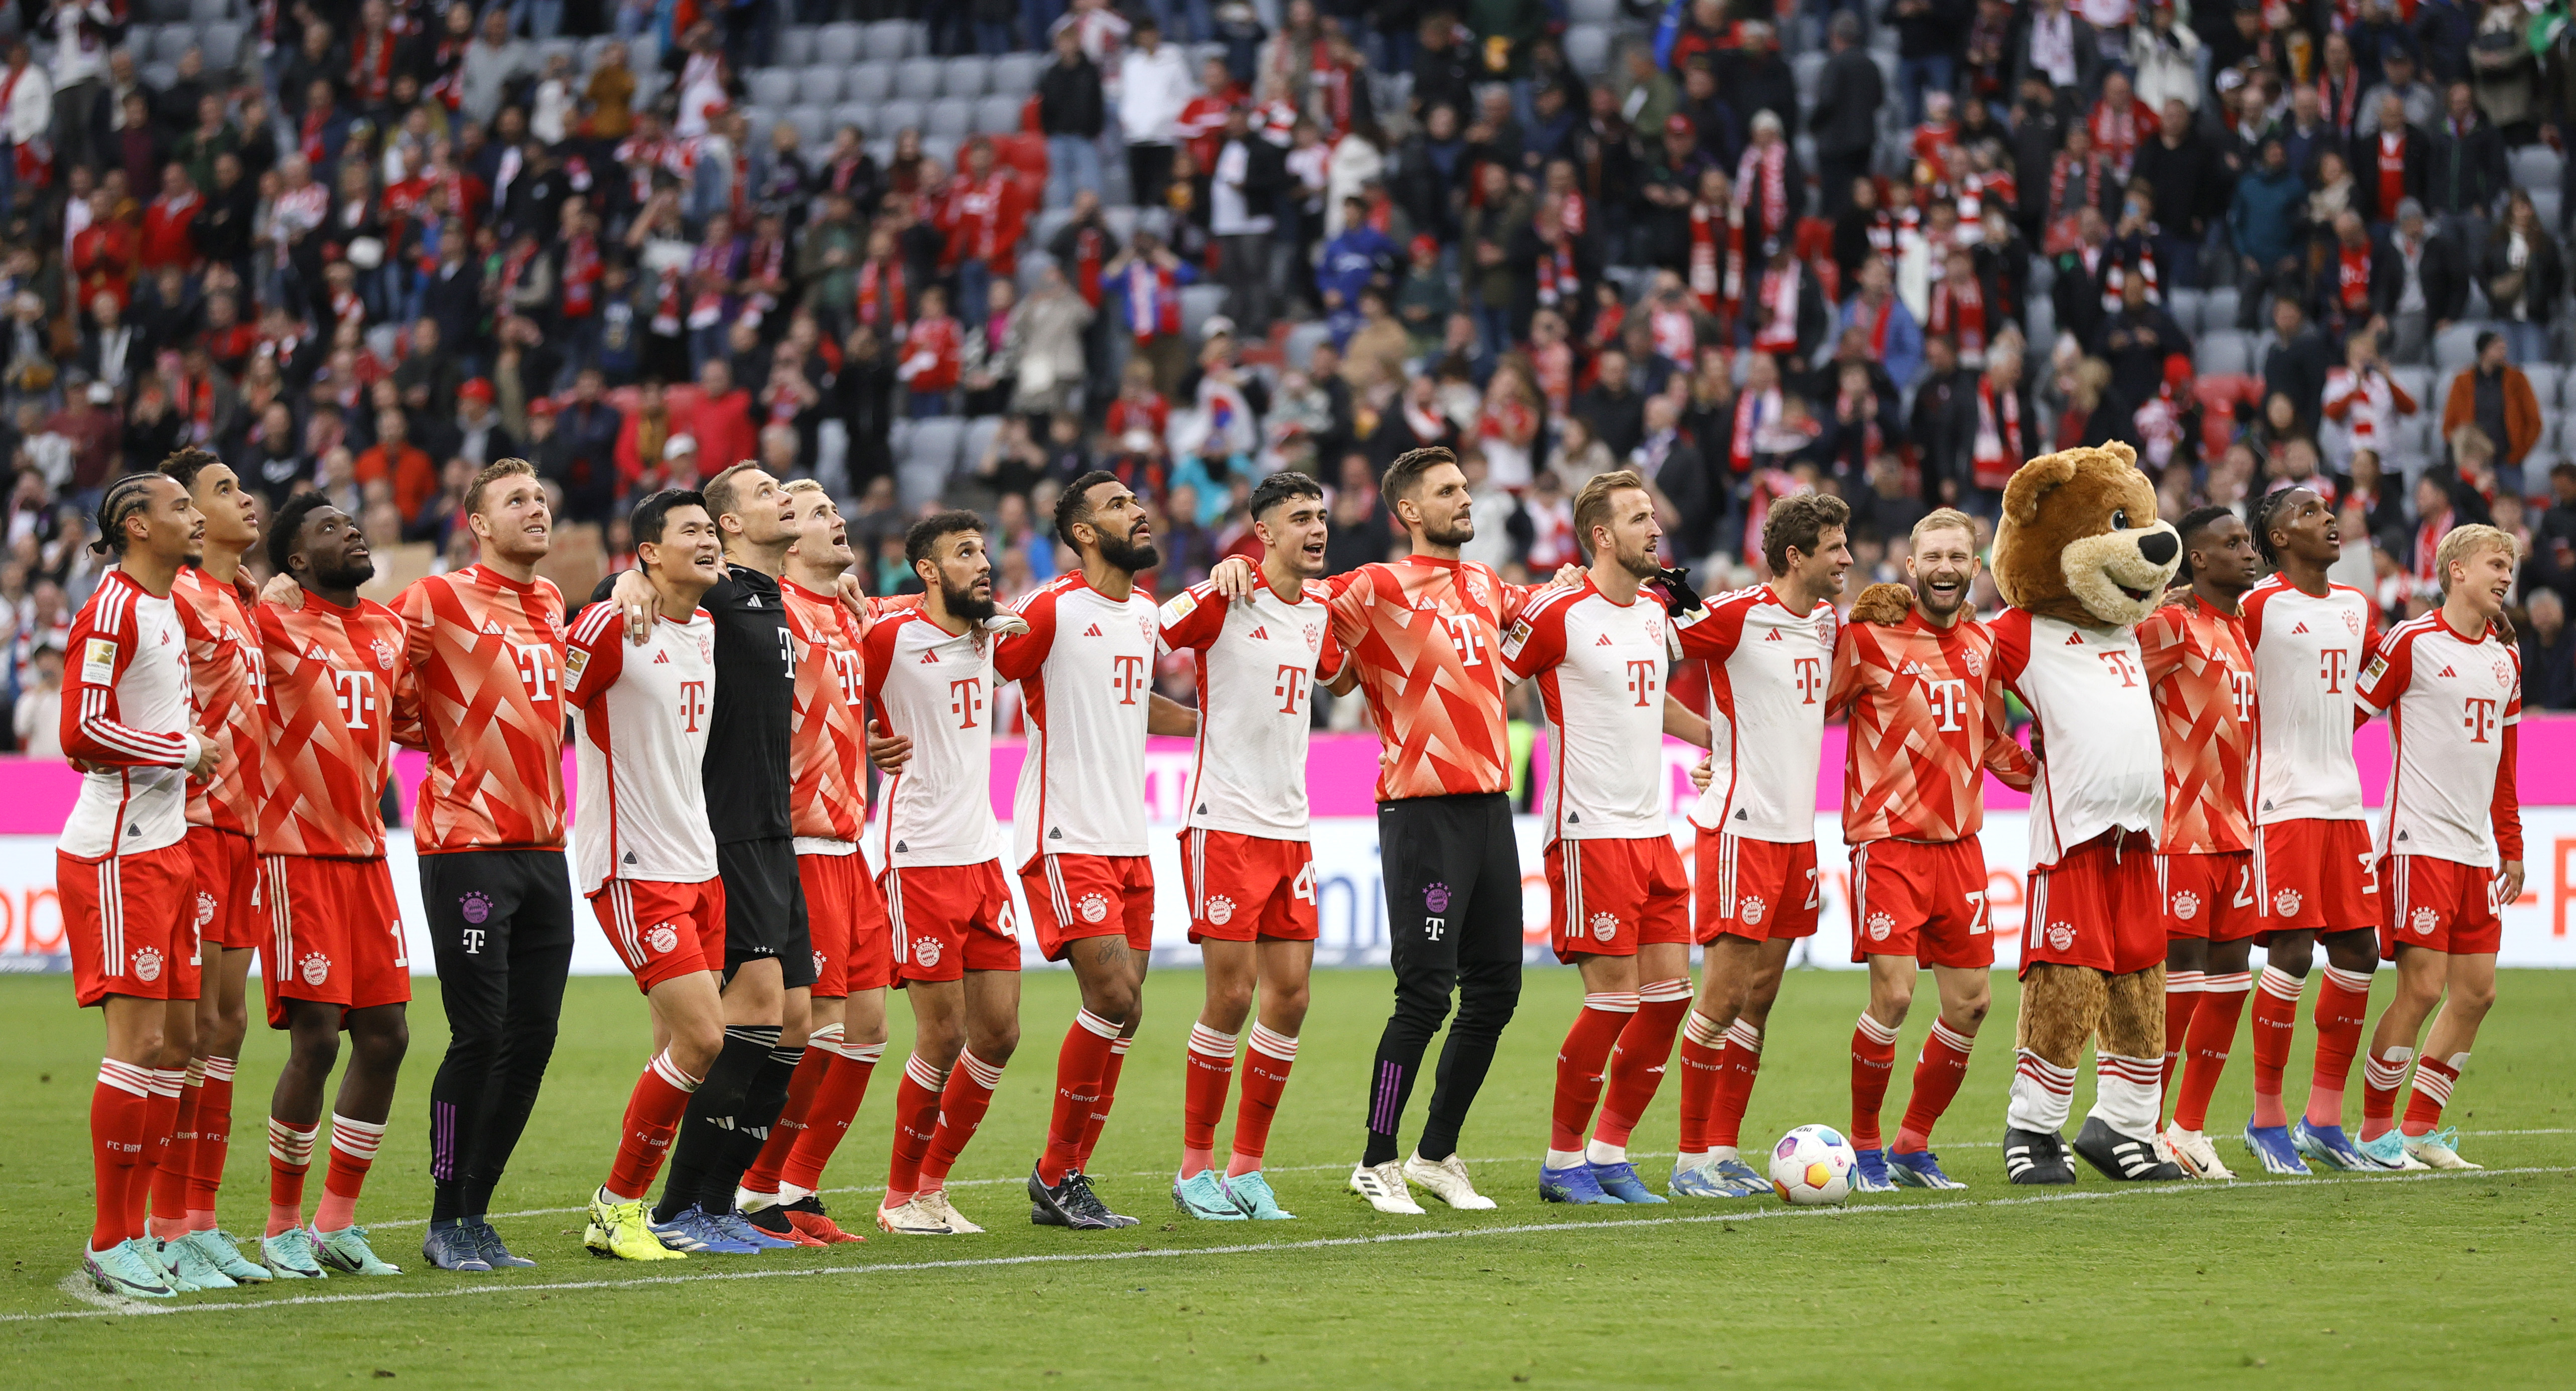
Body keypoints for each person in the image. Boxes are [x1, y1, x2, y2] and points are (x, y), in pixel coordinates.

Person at [1206, 446, 1561, 1214]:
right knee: (1425, 994)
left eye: (1464, 487)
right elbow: (1287, 583)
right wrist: (1233, 567)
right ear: (1408, 512)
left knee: (1497, 989)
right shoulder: (1372, 586)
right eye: (1447, 492)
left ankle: (1437, 1154)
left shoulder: (1484, 584)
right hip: (1421, 811)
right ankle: (1377, 1159)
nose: (1465, 500)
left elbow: (1546, 606)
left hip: (1490, 807)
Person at [602, 464, 815, 1253]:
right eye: (765, 492)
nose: (782, 498)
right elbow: (628, 591)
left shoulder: (767, 597)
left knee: (794, 1020)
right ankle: (682, 1206)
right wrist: (625, 581)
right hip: (721, 832)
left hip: (772, 828)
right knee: (747, 1016)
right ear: (725, 525)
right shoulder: (715, 593)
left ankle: (716, 1202)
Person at [1499, 471, 1712, 1206]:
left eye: (1652, 515)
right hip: (1588, 833)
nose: (1655, 530)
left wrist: (1716, 736)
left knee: (1669, 998)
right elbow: (1487, 679)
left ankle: (1610, 1151)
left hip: (1654, 830)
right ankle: (1561, 1163)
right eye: (1638, 518)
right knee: (1614, 1002)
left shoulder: (1655, 610)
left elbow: (1652, 707)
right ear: (1601, 536)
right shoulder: (1557, 612)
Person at [386, 459, 574, 1271]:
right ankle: (444, 1217)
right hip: (468, 846)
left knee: (532, 1039)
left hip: (545, 848)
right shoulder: (434, 598)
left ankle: (479, 1215)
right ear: (479, 525)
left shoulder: (552, 600)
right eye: (515, 501)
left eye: (539, 497)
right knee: (480, 1033)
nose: (536, 509)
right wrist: (448, 738)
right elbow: (380, 676)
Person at [1000, 472, 1197, 1229]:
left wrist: (1203, 719)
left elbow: (1130, 697)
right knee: (1112, 999)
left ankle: (1068, 1177)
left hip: (1126, 839)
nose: (1138, 511)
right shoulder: (1049, 607)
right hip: (1064, 833)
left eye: (1135, 501)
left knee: (1126, 1013)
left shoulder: (1143, 612)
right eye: (1117, 506)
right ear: (1083, 532)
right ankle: (1054, 1173)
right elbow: (981, 651)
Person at [1155, 472, 1347, 1220]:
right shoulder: (1224, 596)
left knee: (1291, 999)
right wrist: (1211, 577)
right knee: (1231, 995)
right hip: (1225, 824)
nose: (1316, 528)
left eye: (1321, 516)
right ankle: (1194, 1168)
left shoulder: (1320, 611)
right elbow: (1151, 636)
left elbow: (1341, 676)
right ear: (1262, 533)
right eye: (1299, 518)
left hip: (1291, 829)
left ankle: (1246, 1170)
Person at [1829, 511, 2037, 1194]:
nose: (1945, 567)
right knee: (1891, 996)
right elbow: (1811, 711)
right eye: (1933, 556)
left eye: (1958, 556)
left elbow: (1991, 741)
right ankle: (1863, 1150)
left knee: (1972, 1005)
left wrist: (2053, 771)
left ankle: (1912, 1145)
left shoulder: (1982, 646)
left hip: (1961, 847)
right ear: (1910, 565)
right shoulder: (1864, 640)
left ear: (1975, 569)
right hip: (1887, 844)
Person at [59, 474, 222, 1298]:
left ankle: (142, 1235)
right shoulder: (113, 607)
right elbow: (79, 731)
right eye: (182, 508)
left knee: (175, 1048)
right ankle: (108, 1238)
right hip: (117, 851)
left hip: (166, 845)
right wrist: (183, 750)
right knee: (138, 1049)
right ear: (136, 525)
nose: (196, 517)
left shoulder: (167, 601)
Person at [1661, 494, 1849, 1198]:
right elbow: (1643, 659)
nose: (1847, 559)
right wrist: (1710, 740)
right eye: (1834, 547)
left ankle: (1721, 1150)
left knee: (1761, 1000)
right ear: (1796, 556)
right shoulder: (1735, 616)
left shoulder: (1828, 622)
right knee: (1721, 997)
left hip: (1795, 835)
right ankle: (1687, 1164)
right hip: (1738, 829)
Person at [252, 492, 414, 1279]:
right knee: (315, 1040)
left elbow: (411, 719)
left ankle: (337, 1225)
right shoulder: (268, 622)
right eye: (326, 528)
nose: (350, 530)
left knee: (387, 1037)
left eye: (352, 522)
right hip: (294, 854)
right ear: (293, 560)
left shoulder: (388, 628)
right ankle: (282, 1227)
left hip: (368, 857)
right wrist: (259, 592)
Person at [730, 482, 893, 1245]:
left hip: (850, 844)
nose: (837, 517)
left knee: (866, 1028)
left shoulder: (852, 615)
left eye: (835, 506)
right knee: (812, 1027)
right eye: (820, 512)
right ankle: (755, 1191)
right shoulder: (771, 612)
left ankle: (799, 1184)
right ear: (788, 538)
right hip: (795, 842)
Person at [568, 488, 727, 1263]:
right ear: (649, 554)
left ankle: (629, 1212)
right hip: (635, 865)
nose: (707, 539)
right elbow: (544, 700)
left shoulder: (705, 629)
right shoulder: (611, 622)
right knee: (704, 1037)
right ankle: (617, 1203)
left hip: (699, 862)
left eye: (710, 529)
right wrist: (615, 589)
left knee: (679, 1047)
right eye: (689, 531)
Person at [862, 511, 1026, 1236]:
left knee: (999, 1033)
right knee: (943, 1035)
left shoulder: (990, 629)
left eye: (984, 551)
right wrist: (863, 737)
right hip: (918, 858)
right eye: (964, 554)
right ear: (927, 571)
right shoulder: (889, 635)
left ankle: (933, 1188)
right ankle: (899, 1197)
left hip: (982, 856)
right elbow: (827, 689)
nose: (982, 564)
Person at [2353, 524, 2523, 1171]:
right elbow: (2351, 718)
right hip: (2416, 841)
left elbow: (2505, 764)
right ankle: (2374, 1134)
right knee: (2421, 990)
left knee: (2477, 994)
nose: (2506, 576)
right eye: (2496, 564)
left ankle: (2421, 1130)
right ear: (2456, 569)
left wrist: (2510, 844)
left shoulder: (2506, 660)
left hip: (2476, 852)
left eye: (2510, 566)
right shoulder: (2412, 642)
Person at [149, 452, 277, 1288]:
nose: (242, 500)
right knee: (187, 1031)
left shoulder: (244, 601)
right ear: (189, 517)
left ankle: (200, 1219)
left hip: (245, 832)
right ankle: (161, 1225)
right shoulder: (182, 597)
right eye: (223, 491)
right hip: (190, 825)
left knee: (226, 1028)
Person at [2238, 485, 2385, 1176]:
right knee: (2291, 952)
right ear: (2276, 540)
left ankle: (2322, 1120)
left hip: (2344, 802)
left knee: (2359, 950)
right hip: (2280, 801)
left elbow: (2388, 667)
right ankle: (2265, 1118)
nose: (2327, 519)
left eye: (2326, 509)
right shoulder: (2257, 604)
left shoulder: (2356, 605)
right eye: (2306, 513)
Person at [2138, 507, 2265, 1181]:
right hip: (2178, 829)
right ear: (2196, 560)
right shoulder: (2171, 624)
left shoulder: (2236, 627)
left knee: (2229, 982)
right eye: (2232, 544)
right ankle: (2143, 1128)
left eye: (2247, 541)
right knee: (2179, 985)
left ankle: (2188, 1129)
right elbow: (2114, 680)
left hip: (2235, 833)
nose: (2248, 552)